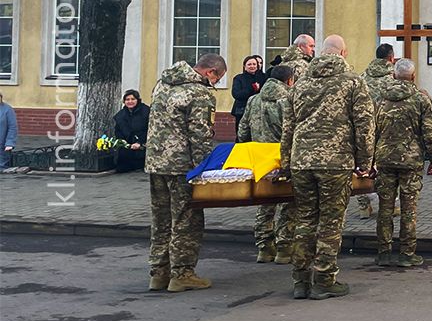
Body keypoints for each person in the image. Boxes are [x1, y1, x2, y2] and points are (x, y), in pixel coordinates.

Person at [280, 35, 376, 300]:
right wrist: (365, 163)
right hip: (335, 162)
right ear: (343, 52)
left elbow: (288, 127)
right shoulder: (353, 82)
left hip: (301, 161)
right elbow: (364, 125)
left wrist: (286, 162)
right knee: (331, 222)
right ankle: (324, 279)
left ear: (320, 53)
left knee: (305, 219)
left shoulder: (300, 83)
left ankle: (300, 281)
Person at [145, 54, 226, 293]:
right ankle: (182, 273)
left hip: (156, 162)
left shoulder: (162, 84)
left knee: (161, 219)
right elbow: (199, 135)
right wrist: (204, 171)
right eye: (217, 78)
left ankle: (159, 273)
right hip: (182, 166)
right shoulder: (200, 94)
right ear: (210, 71)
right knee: (186, 219)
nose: (215, 84)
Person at [373, 58, 432, 267]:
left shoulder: (380, 99)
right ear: (413, 76)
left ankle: (384, 253)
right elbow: (430, 132)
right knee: (408, 208)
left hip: (384, 159)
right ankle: (407, 253)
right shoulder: (421, 100)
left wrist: (369, 160)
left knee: (385, 207)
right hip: (411, 161)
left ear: (394, 75)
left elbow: (371, 131)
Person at [237, 65, 296, 265]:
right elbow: (291, 129)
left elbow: (242, 130)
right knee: (288, 203)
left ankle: (264, 247)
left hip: (258, 158)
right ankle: (285, 248)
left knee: (265, 203)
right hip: (281, 156)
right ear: (289, 81)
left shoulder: (254, 100)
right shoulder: (287, 100)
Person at [356, 43, 397, 219]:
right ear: (391, 58)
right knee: (387, 168)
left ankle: (364, 206)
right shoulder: (393, 78)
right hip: (385, 130)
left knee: (363, 166)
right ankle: (391, 205)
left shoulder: (362, 76)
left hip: (364, 128)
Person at [113, 89, 150, 173]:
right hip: (128, 147)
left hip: (143, 145)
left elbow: (149, 129)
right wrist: (124, 143)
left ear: (138, 100)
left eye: (133, 99)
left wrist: (140, 142)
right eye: (127, 99)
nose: (130, 101)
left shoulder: (146, 111)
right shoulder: (121, 115)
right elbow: (118, 131)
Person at [231, 56, 267, 132]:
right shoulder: (239, 78)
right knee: (241, 135)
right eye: (249, 64)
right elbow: (236, 94)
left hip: (259, 112)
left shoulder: (264, 78)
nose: (252, 66)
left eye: (254, 64)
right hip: (242, 111)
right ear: (245, 66)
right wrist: (252, 89)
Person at [0, 91, 15, 171]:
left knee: (2, 169)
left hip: (2, 147)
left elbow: (12, 127)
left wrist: (10, 143)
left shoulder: (7, 109)